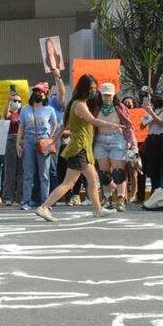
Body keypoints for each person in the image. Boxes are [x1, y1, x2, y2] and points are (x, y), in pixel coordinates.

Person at [34, 74, 119, 221]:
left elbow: (62, 127)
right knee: (69, 183)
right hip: (78, 148)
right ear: (84, 89)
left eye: (94, 88)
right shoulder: (79, 105)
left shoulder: (77, 104)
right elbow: (92, 120)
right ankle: (44, 207)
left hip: (82, 149)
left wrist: (52, 142)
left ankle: (97, 209)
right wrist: (113, 125)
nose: (93, 91)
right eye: (91, 88)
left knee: (93, 179)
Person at [17, 82, 59, 211]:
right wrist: (18, 143)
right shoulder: (25, 109)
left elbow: (55, 124)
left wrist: (50, 138)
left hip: (44, 142)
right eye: (36, 91)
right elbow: (21, 127)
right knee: (28, 173)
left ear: (45, 95)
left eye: (41, 92)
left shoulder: (50, 110)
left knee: (44, 174)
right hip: (29, 141)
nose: (38, 94)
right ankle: (26, 201)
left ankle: (45, 202)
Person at [93, 82, 134, 212]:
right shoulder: (96, 108)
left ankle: (121, 198)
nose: (107, 98)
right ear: (100, 95)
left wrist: (133, 144)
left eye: (109, 95)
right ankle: (107, 198)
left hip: (117, 139)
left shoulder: (120, 107)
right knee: (104, 174)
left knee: (118, 173)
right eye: (104, 95)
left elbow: (129, 126)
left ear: (114, 95)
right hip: (100, 139)